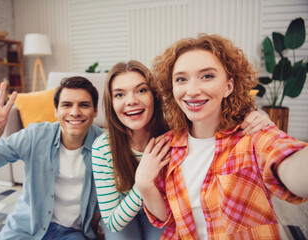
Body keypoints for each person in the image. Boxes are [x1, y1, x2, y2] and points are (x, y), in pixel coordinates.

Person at [135, 34, 308, 239]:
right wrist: (144, 184)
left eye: (207, 76)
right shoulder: (166, 147)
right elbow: (168, 218)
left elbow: (290, 163)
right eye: (181, 79)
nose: (192, 90)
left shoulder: (252, 137)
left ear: (229, 86)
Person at [92, 60, 275, 239]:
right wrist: (143, 182)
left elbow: (216, 121)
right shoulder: (102, 148)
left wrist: (255, 117)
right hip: (122, 216)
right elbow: (112, 221)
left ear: (154, 95)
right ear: (111, 103)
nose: (131, 101)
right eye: (119, 95)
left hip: (160, 210)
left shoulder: (174, 134)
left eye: (141, 90)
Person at [0, 77, 104, 240]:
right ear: (56, 111)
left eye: (84, 104)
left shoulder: (105, 146)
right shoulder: (35, 135)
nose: (75, 112)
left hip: (72, 233)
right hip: (26, 227)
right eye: (66, 105)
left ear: (95, 110)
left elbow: (100, 201)